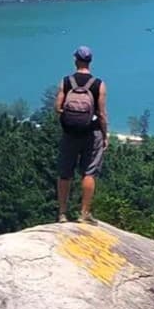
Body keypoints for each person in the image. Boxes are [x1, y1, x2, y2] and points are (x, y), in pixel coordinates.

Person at [55, 45, 107, 223]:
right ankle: (84, 214)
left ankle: (62, 213)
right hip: (92, 133)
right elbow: (101, 114)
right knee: (89, 173)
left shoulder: (66, 81)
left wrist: (69, 120)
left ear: (75, 60)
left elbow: (57, 107)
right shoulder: (98, 84)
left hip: (70, 133)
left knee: (65, 173)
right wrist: (105, 135)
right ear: (90, 61)